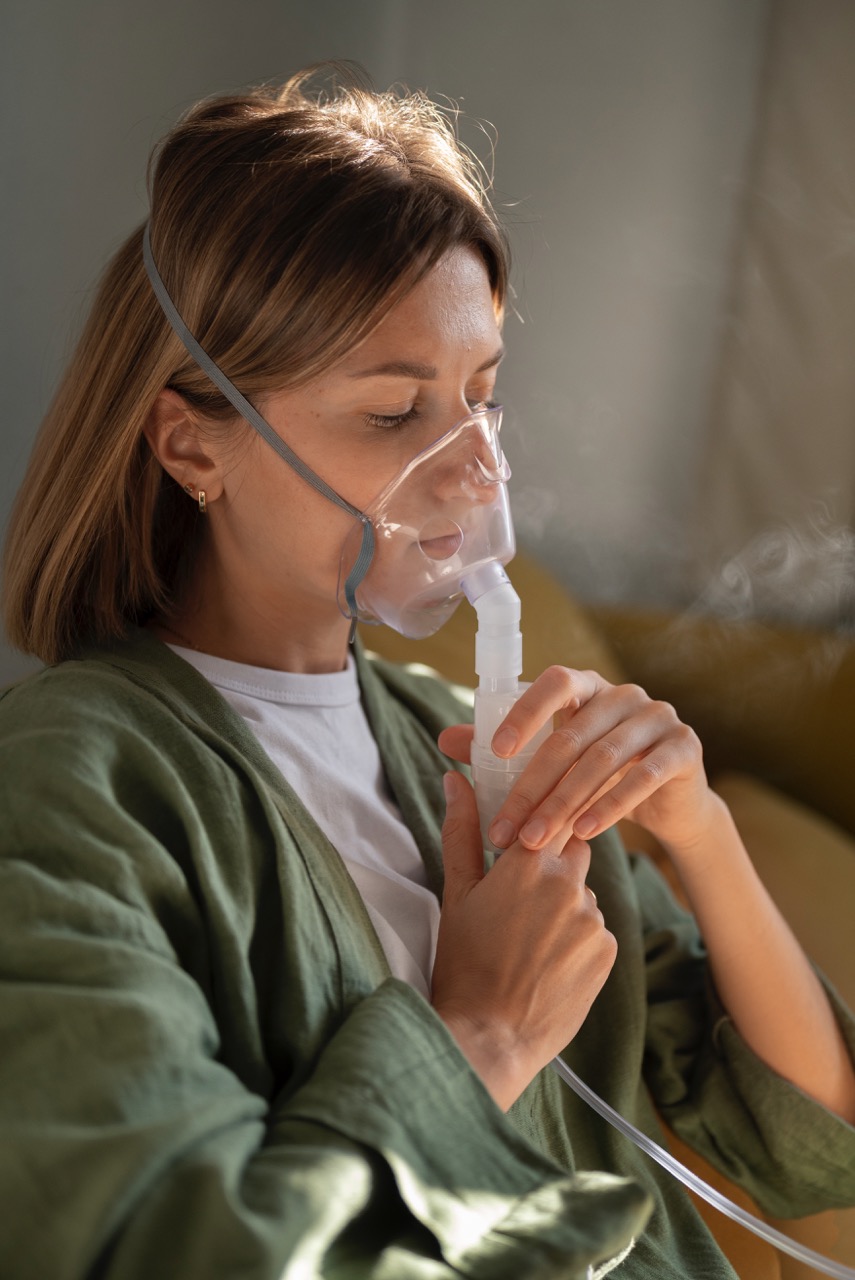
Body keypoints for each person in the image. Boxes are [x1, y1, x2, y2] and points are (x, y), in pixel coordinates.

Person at [0, 65, 853, 1280]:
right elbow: (162, 1243)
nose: (472, 476)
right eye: (396, 415)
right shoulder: (73, 786)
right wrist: (484, 1033)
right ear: (194, 441)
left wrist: (700, 833)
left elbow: (809, 1151)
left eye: (481, 398)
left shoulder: (476, 748)